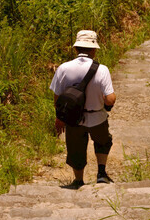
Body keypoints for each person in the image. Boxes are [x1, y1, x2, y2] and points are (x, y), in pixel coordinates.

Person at [50, 30, 116, 189]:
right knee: (102, 141)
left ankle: (78, 181)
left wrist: (60, 118)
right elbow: (110, 98)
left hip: (73, 119)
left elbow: (57, 100)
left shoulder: (63, 69)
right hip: (97, 117)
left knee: (75, 149)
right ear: (93, 49)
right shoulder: (102, 69)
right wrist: (107, 105)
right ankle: (101, 174)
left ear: (76, 49)